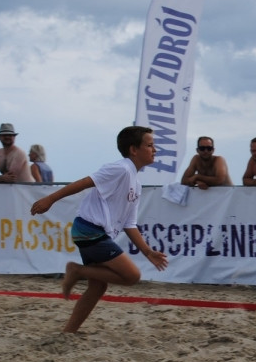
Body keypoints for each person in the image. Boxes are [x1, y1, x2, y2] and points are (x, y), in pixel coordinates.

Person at [29, 126, 168, 333]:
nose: (155, 149)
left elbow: (129, 224)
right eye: (150, 145)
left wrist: (148, 252)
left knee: (97, 286)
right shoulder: (120, 169)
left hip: (92, 231)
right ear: (134, 150)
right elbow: (85, 182)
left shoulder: (135, 184)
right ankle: (76, 271)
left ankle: (69, 332)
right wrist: (50, 199)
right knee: (132, 276)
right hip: (89, 230)